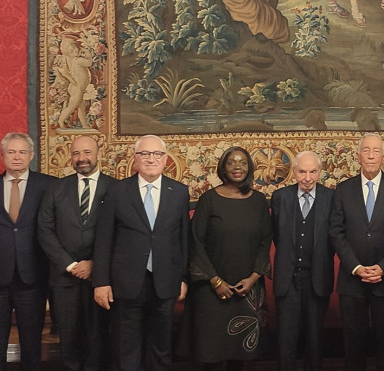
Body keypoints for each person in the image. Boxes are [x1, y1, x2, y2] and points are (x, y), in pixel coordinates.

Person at [93, 134, 190, 371]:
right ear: (135, 159)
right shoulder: (117, 191)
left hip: (165, 281)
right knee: (126, 347)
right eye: (144, 154)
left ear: (166, 159)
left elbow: (184, 239)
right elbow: (104, 239)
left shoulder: (178, 191)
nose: (151, 159)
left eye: (157, 154)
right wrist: (101, 282)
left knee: (161, 347)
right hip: (126, 283)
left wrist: (184, 278)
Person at [179, 146, 272, 370]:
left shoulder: (259, 201)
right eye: (231, 162)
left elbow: (265, 241)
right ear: (222, 167)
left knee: (238, 355)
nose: (237, 167)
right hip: (211, 290)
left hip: (246, 289)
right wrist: (215, 281)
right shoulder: (208, 199)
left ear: (249, 167)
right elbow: (195, 243)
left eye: (242, 162)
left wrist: (253, 278)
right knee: (211, 353)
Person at [38, 135, 115, 371]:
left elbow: (122, 233)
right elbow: (44, 230)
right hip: (65, 279)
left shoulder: (117, 188)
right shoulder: (55, 189)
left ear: (98, 155)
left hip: (101, 279)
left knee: (99, 337)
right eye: (76, 154)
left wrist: (95, 264)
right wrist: (71, 265)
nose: (82, 158)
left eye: (87, 152)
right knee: (69, 339)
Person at [329, 133, 384, 371]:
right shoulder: (343, 189)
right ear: (358, 155)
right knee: (353, 342)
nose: (371, 155)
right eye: (366, 150)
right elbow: (336, 232)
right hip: (352, 279)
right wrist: (356, 267)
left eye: (376, 151)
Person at [271, 151, 335, 371]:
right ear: (294, 172)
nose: (307, 178)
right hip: (287, 279)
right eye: (302, 172)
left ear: (319, 172)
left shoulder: (331, 198)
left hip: (317, 278)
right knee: (286, 339)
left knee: (315, 340)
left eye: (312, 172)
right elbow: (277, 237)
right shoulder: (280, 197)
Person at [0, 132, 56, 371]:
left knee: (32, 343)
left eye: (22, 152)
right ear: (3, 156)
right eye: (11, 152)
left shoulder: (50, 186)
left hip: (33, 275)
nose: (16, 157)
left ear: (31, 155)